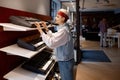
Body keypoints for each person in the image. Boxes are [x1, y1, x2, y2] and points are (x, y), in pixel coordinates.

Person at [34, 8, 75, 80]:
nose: (55, 18)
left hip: (65, 61)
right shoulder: (64, 28)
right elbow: (55, 36)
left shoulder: (64, 31)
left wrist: (40, 30)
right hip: (66, 60)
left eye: (58, 17)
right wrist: (46, 28)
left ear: (63, 18)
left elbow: (51, 43)